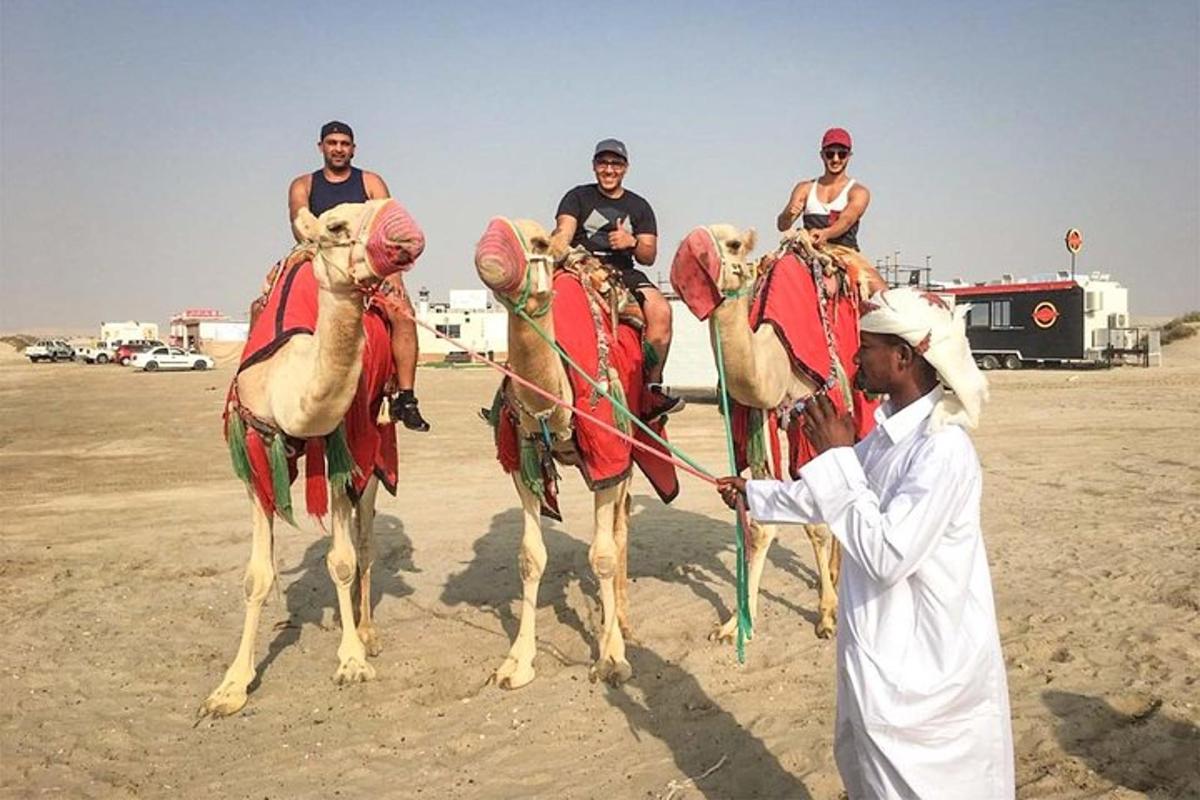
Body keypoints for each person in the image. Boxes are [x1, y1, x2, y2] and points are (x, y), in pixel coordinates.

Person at [717, 286, 1013, 799]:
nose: (854, 356)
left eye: (867, 345)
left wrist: (835, 457)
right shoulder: (886, 437)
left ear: (902, 357)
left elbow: (885, 554)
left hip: (927, 675)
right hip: (878, 659)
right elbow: (833, 499)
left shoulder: (943, 451)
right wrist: (756, 494)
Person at [287, 120, 430, 432]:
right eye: (332, 143)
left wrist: (391, 276)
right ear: (321, 146)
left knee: (403, 314)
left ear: (353, 148)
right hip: (321, 258)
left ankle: (406, 397)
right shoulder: (303, 185)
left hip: (366, 263)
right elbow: (301, 223)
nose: (338, 148)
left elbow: (386, 224)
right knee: (268, 304)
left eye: (344, 143)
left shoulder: (370, 182)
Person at [549, 138, 682, 419]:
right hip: (581, 266)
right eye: (603, 163)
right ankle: (514, 392)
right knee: (535, 305)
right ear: (594, 166)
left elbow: (649, 255)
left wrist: (631, 241)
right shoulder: (577, 197)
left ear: (626, 168)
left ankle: (651, 389)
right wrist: (557, 243)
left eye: (616, 164)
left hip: (624, 271)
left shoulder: (639, 206)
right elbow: (564, 229)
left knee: (661, 311)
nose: (609, 169)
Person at [776, 127, 886, 295]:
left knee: (883, 295)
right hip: (808, 250)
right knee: (770, 277)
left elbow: (846, 220)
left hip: (845, 253)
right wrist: (789, 214)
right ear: (822, 155)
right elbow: (782, 225)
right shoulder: (805, 188)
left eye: (841, 154)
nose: (835, 159)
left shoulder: (858, 191)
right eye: (830, 154)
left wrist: (826, 233)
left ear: (849, 156)